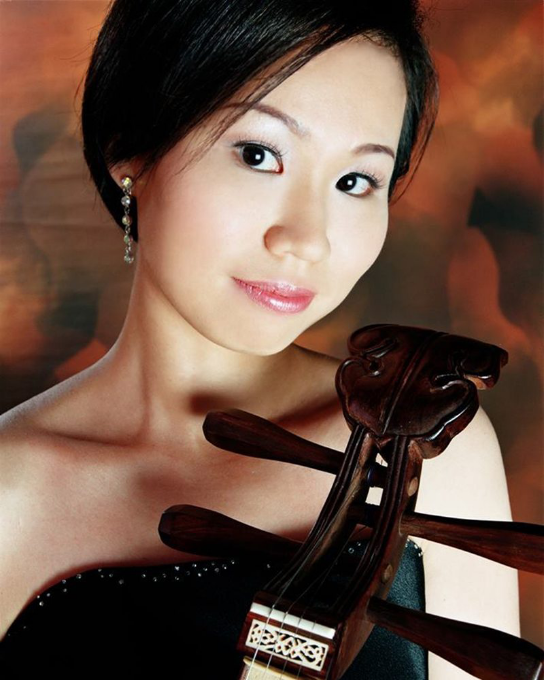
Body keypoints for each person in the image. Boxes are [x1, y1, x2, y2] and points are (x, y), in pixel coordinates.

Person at [0, 0, 520, 677]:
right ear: (132, 153)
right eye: (258, 154)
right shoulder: (11, 488)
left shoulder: (430, 443)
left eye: (355, 181)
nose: (307, 238)